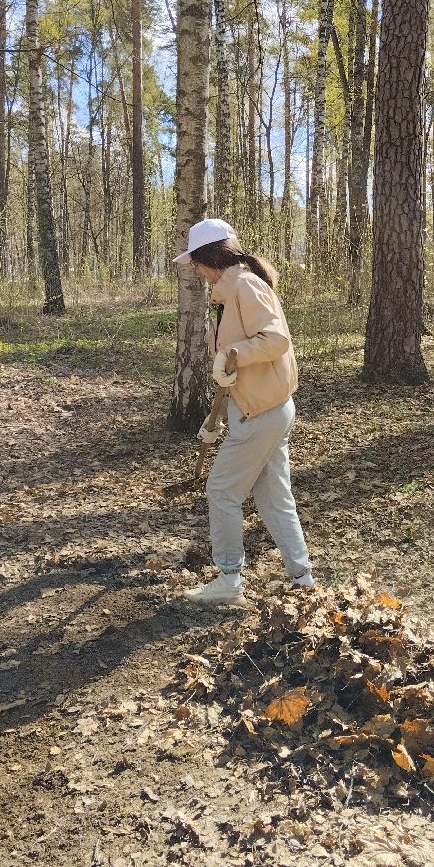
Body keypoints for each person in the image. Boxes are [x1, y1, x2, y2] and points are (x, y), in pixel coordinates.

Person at [173, 218, 314, 606]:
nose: (198, 273)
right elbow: (236, 357)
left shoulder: (246, 286)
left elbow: (275, 340)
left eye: (197, 264)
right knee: (273, 495)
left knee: (221, 490)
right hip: (264, 407)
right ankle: (302, 577)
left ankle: (229, 578)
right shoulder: (233, 289)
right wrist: (218, 415)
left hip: (261, 413)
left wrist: (227, 355)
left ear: (210, 258)